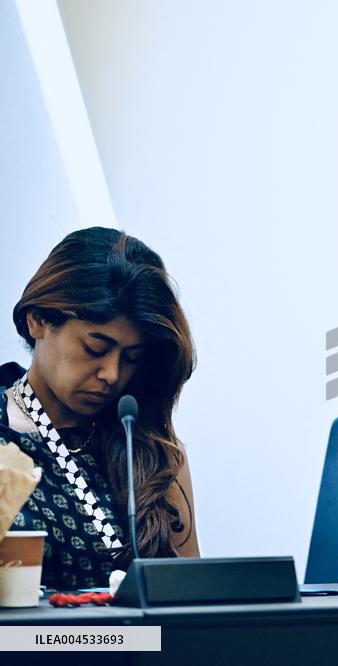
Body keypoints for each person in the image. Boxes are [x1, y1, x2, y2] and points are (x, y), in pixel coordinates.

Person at [0, 228, 198, 590]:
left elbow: (190, 604)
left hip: (147, 647)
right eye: (95, 346)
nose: (112, 374)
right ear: (39, 320)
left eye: (131, 358)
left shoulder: (151, 450)